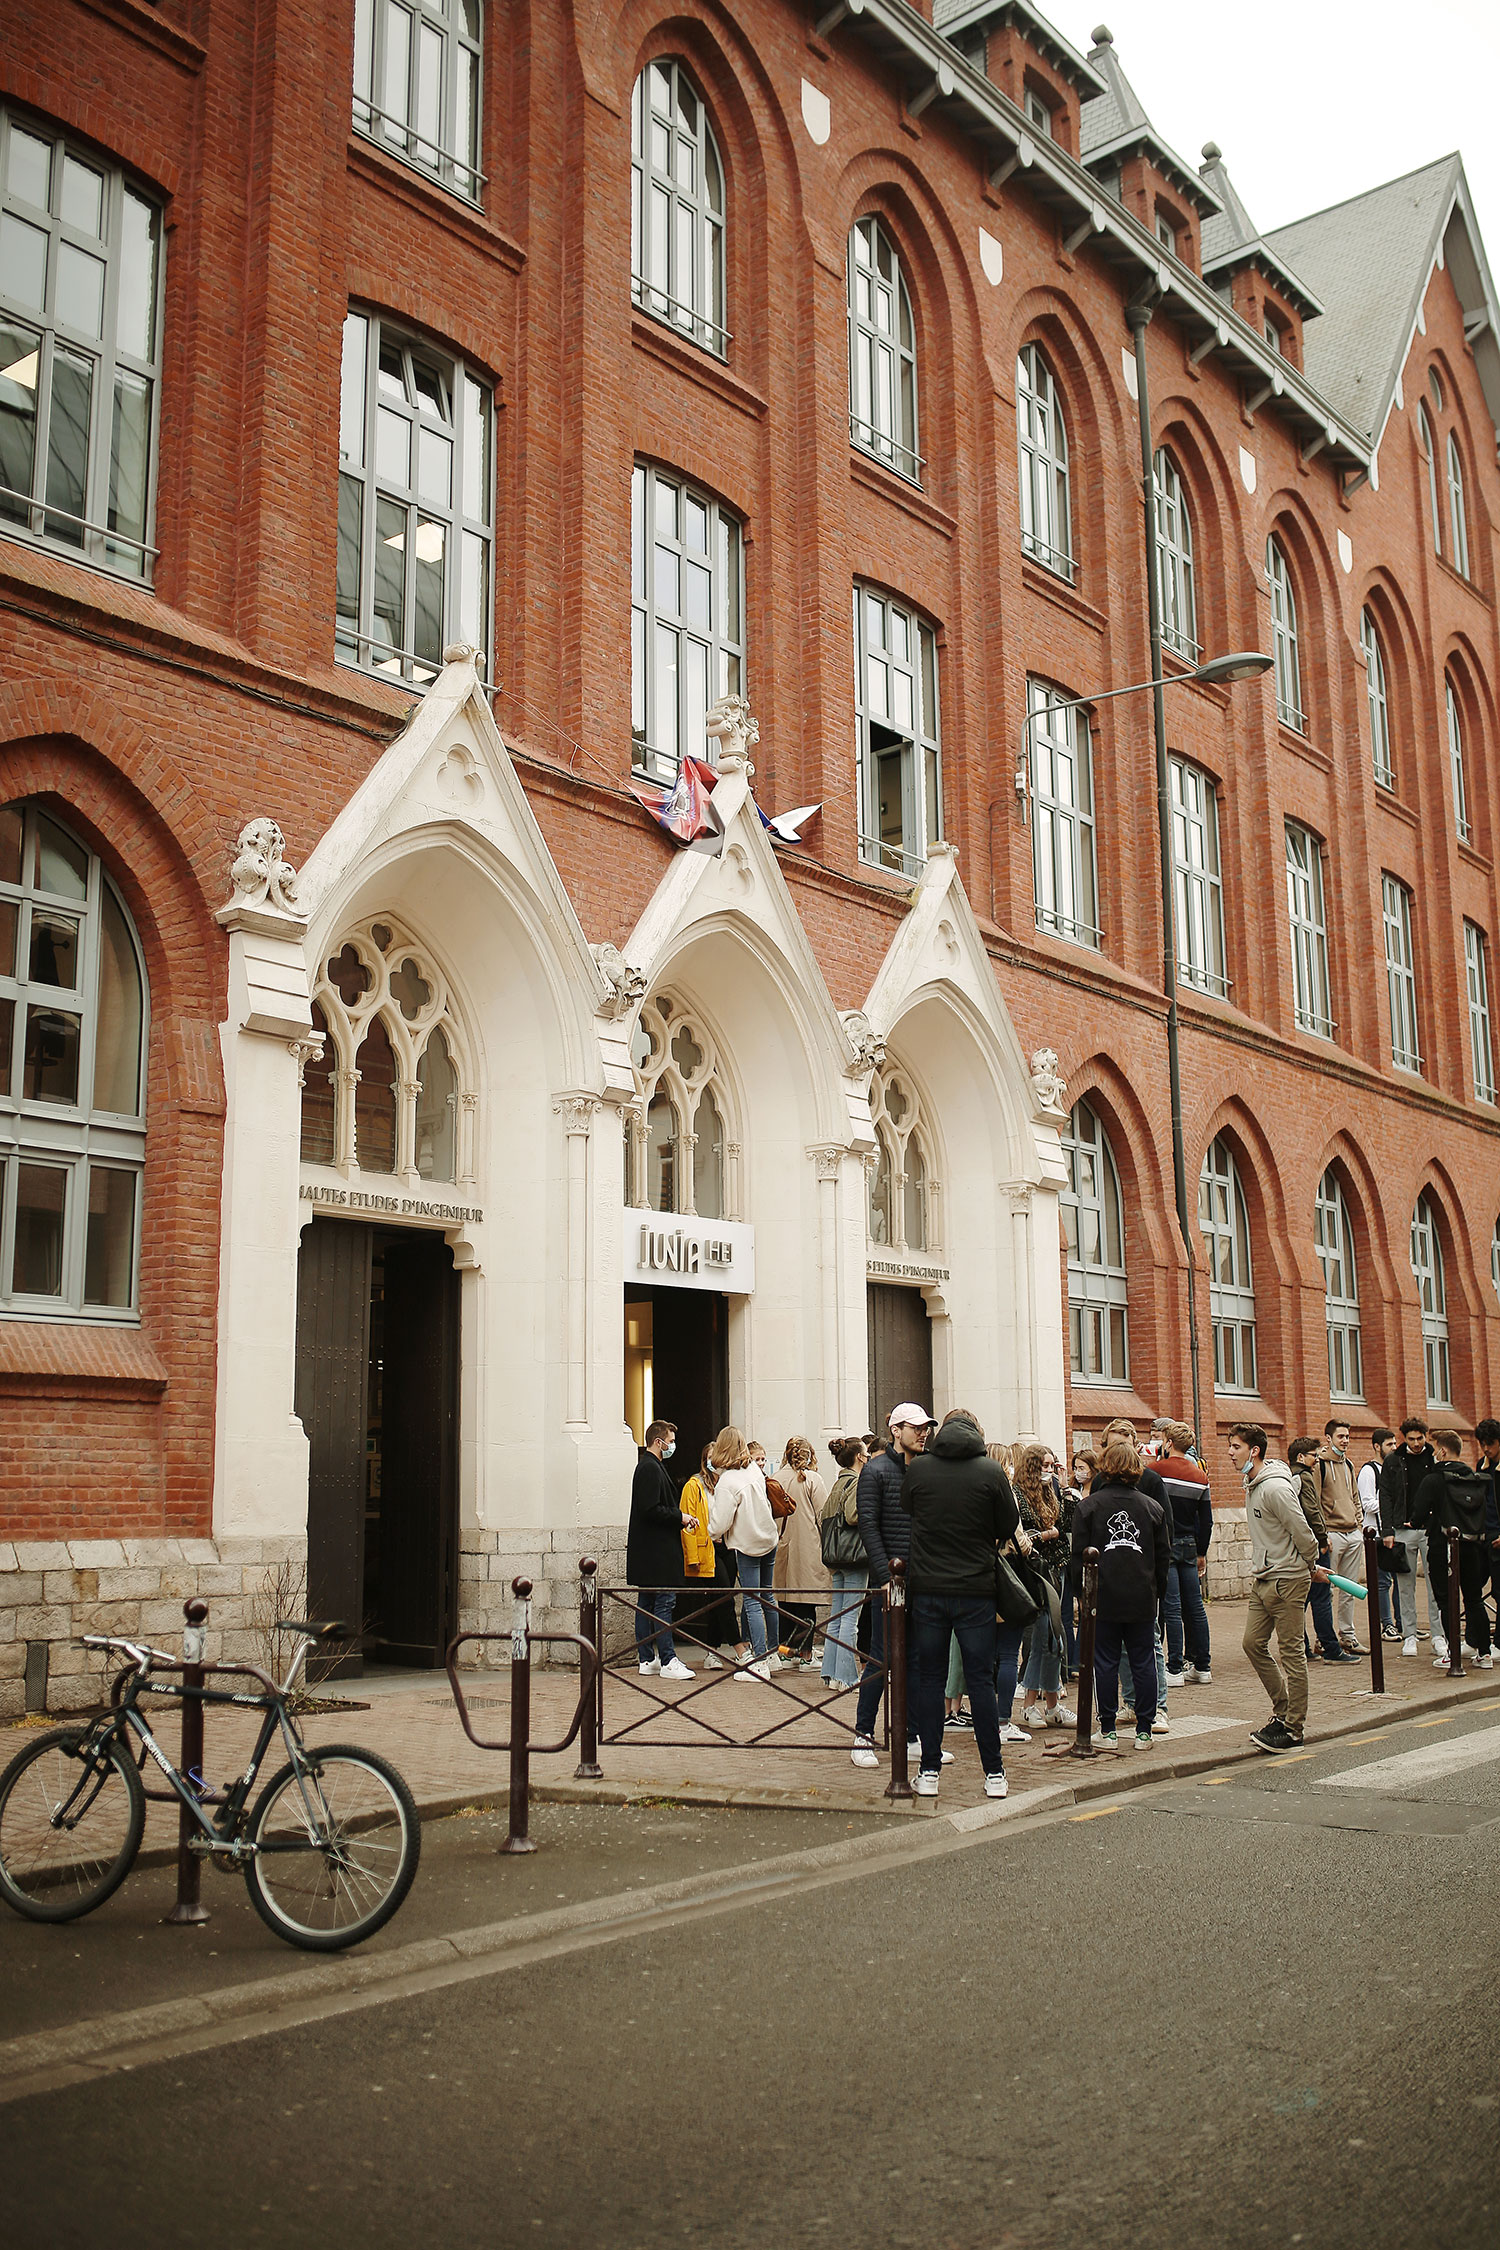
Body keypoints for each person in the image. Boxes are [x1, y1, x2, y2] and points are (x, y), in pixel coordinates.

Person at [901, 1407, 1018, 1797]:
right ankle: (995, 1774)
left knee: (930, 1680)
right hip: (976, 1590)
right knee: (981, 1682)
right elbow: (1006, 1525)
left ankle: (929, 1772)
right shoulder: (990, 1471)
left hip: (929, 1589)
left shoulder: (919, 1469)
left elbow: (909, 1509)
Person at [850, 1405, 946, 1771]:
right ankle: (863, 1735)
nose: (923, 1433)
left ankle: (912, 1735)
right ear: (895, 1429)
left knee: (919, 1660)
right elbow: (869, 1528)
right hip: (889, 1582)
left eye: (926, 1428)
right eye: (916, 1428)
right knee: (880, 1660)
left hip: (922, 1580)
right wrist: (885, 1577)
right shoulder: (875, 1471)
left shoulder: (926, 1469)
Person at [1069, 1435, 1169, 1750]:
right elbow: (1162, 1556)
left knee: (1105, 1661)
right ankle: (1144, 1729)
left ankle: (1109, 1728)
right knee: (1143, 1660)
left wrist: (1079, 1595)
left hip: (1103, 1595)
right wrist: (1158, 1592)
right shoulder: (1152, 1507)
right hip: (1141, 1593)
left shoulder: (1088, 1507)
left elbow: (1077, 1556)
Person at [1230, 1423, 1322, 1752]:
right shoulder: (1252, 1482)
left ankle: (1293, 1729)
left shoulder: (1275, 1489)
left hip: (1288, 1578)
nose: (1230, 1452)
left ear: (1254, 1451)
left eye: (1236, 1447)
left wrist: (1310, 1563)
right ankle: (1283, 1711)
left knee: (1292, 1654)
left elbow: (1300, 1528)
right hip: (1264, 1577)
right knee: (1252, 1644)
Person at [1099, 1417, 1173, 1734]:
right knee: (1119, 1651)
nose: (1117, 1451)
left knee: (1148, 1645)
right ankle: (1130, 1703)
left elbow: (1163, 1530)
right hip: (1112, 1581)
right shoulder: (1102, 1484)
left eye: (1121, 1444)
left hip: (1142, 1579)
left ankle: (1158, 1708)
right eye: (1111, 1445)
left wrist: (1159, 1584)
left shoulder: (1151, 1481)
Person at [1412, 1432, 1494, 1667]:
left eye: (1435, 1449)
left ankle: (1453, 1654)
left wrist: (1419, 1521)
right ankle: (1484, 1654)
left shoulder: (1434, 1479)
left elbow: (1418, 1515)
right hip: (1473, 1545)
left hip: (1442, 1546)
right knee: (1474, 1598)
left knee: (1447, 1601)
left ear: (1443, 1452)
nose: (1434, 1454)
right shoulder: (1476, 1478)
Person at [706, 1426, 779, 1680]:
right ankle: (772, 1654)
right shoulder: (752, 1471)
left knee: (752, 1600)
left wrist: (712, 1532)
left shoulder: (727, 1481)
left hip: (748, 1544)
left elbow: (718, 1524)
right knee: (767, 1595)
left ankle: (759, 1663)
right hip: (769, 1538)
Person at [627, 1418, 695, 1681]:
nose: (673, 1446)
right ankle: (666, 1659)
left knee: (648, 1602)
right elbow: (651, 1508)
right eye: (671, 1441)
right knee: (663, 1602)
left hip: (651, 1551)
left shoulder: (650, 1467)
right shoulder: (650, 1469)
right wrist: (680, 1517)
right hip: (657, 1551)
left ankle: (647, 1658)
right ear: (659, 1441)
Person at [1012, 1442, 1074, 1730]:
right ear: (1032, 1467)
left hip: (1055, 1569)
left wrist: (1064, 1491)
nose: (1049, 1472)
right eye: (1044, 1467)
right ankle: (1030, 1706)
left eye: (1052, 1466)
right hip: (1034, 1574)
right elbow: (1025, 1536)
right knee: (1046, 1639)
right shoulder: (1019, 1495)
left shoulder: (1054, 1493)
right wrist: (1049, 1534)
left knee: (1053, 1640)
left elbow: (1066, 1527)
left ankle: (1050, 1706)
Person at [1379, 1416, 1445, 1659]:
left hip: (1432, 1529)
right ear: (1404, 1438)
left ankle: (1438, 1635)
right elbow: (1384, 1495)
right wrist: (1387, 1530)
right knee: (1405, 1586)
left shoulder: (1435, 1457)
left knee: (1435, 1584)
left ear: (1425, 1437)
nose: (1416, 1443)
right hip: (1402, 1528)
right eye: (1411, 1439)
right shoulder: (1394, 1459)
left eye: (1420, 1438)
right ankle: (1409, 1636)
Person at [1288, 1437, 1357, 1666]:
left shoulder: (1291, 1476)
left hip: (1298, 1545)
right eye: (1313, 1455)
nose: (1316, 1460)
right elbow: (1312, 1510)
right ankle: (1331, 1648)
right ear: (1301, 1457)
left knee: (1304, 1598)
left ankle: (1303, 1646)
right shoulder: (1304, 1477)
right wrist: (1323, 1538)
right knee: (1321, 1596)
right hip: (1314, 1544)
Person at [1156, 1420, 1213, 1684]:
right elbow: (1207, 1519)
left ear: (1168, 1443)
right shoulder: (1199, 1476)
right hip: (1190, 1543)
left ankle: (1175, 1667)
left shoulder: (1155, 1471)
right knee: (1195, 1605)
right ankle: (1202, 1666)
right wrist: (1202, 1551)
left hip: (1165, 1542)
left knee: (1172, 1607)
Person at [773, 1436, 830, 1669]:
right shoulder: (812, 1480)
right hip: (808, 1548)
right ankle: (806, 1654)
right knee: (806, 1603)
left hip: (781, 1547)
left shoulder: (775, 1479)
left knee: (785, 1602)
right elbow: (823, 1516)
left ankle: (785, 1652)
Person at [820, 1437, 868, 1688]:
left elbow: (823, 1518)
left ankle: (831, 1673)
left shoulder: (837, 1484)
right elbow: (853, 1515)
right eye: (866, 1453)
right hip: (854, 1557)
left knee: (837, 1616)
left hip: (835, 1556)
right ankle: (847, 1677)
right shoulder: (857, 1482)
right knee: (851, 1618)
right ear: (859, 1457)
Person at [1315, 1419, 1366, 1653]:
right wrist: (1323, 1535)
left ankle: (1348, 1635)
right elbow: (1314, 1500)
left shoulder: (1349, 1465)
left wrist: (1359, 1523)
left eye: (1347, 1436)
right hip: (1332, 1535)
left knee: (1350, 1589)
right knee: (1326, 1589)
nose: (1345, 1441)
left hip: (1352, 1533)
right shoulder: (1320, 1465)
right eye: (1340, 1437)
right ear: (1328, 1438)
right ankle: (1323, 1638)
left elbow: (1355, 1496)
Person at [675, 1442, 720, 1663]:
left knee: (722, 1599)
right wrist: (691, 1557)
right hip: (706, 1549)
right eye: (711, 1457)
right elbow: (688, 1523)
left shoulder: (727, 1484)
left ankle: (714, 1649)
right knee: (719, 1601)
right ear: (704, 1460)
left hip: (726, 1548)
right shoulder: (694, 1486)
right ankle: (726, 1649)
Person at [1358, 1429, 1401, 1641]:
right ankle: (1387, 1625)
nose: (1394, 1448)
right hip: (1375, 1533)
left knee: (1400, 1579)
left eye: (1395, 1444)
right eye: (1389, 1444)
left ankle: (1403, 1624)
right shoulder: (1369, 1471)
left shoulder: (1394, 1468)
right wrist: (1391, 1506)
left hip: (1393, 1530)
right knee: (1383, 1582)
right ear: (1377, 1446)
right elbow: (1367, 1503)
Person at [1476, 1419, 1500, 1632]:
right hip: (1483, 1534)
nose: (1486, 1448)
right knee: (1473, 1586)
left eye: (1490, 1443)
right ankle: (1476, 1639)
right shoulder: (1481, 1465)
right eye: (1482, 1443)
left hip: (1498, 1535)